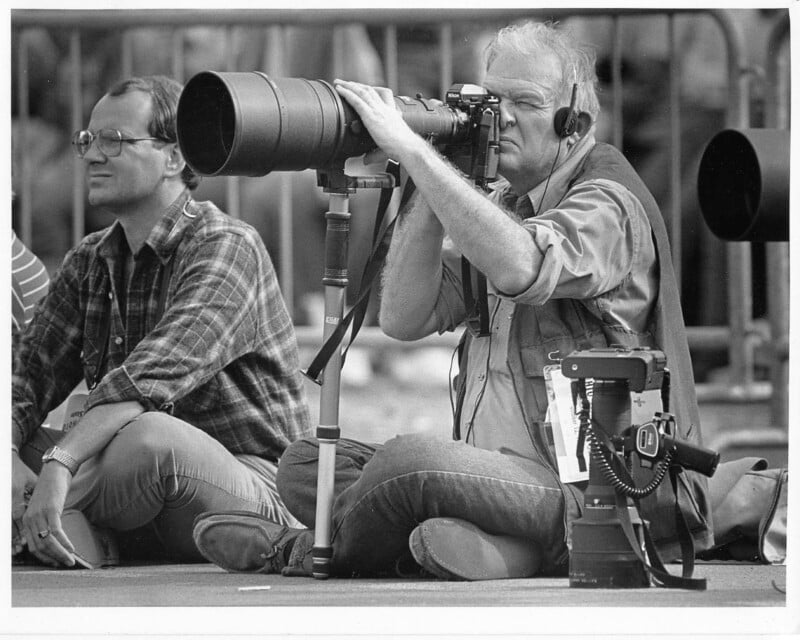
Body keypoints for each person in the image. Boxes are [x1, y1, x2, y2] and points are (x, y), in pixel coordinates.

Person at [193, 21, 712, 580]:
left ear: (573, 122)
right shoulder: (506, 206)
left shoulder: (608, 201)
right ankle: (454, 546)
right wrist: (442, 162)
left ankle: (302, 549)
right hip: (497, 474)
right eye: (493, 100)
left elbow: (524, 265)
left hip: (594, 490)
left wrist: (416, 154)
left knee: (410, 464)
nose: (502, 117)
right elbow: (403, 317)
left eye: (525, 102)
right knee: (306, 463)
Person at [11, 75, 311, 568]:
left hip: (255, 491)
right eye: (87, 141)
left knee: (149, 439)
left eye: (114, 141)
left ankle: (37, 522)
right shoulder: (89, 260)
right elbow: (26, 377)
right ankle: (71, 531)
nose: (90, 157)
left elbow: (149, 379)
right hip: (128, 483)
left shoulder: (227, 245)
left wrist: (59, 463)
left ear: (174, 157)